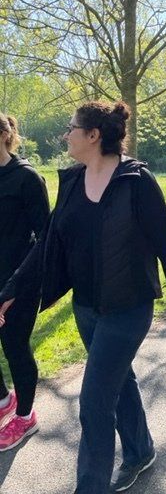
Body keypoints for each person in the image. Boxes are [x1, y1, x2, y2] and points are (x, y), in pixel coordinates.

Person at [0, 101, 166, 494]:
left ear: (93, 135)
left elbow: (165, 243)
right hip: (86, 308)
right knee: (118, 380)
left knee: (93, 403)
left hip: (129, 308)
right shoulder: (73, 181)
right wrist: (12, 289)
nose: (65, 135)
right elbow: (47, 242)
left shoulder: (136, 181)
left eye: (71, 128)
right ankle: (140, 451)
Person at [0, 113, 49, 451]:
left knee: (15, 347)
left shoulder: (27, 178)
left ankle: (25, 415)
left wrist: (15, 286)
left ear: (4, 135)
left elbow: (46, 237)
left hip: (21, 281)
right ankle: (5, 400)